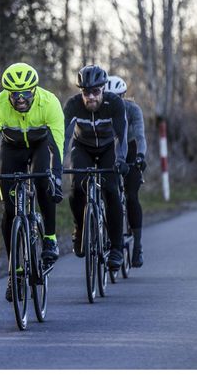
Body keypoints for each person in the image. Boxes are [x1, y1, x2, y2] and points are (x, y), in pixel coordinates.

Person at [0, 62, 65, 302]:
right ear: (8, 93)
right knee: (10, 211)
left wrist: (56, 177)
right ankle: (14, 272)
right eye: (14, 94)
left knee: (45, 183)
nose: (20, 98)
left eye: (25, 92)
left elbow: (57, 144)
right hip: (12, 148)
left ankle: (50, 239)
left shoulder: (50, 102)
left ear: (34, 90)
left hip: (40, 146)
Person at [63, 65, 129, 270]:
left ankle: (117, 249)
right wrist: (56, 165)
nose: (90, 97)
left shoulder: (115, 103)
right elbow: (63, 137)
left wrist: (121, 160)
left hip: (109, 149)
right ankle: (80, 228)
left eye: (95, 91)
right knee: (76, 188)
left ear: (103, 89)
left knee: (111, 191)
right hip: (82, 148)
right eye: (85, 92)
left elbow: (121, 136)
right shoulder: (73, 105)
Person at [105, 75, 148, 267]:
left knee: (131, 196)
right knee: (108, 192)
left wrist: (140, 156)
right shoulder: (101, 109)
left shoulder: (133, 109)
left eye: (118, 97)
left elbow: (140, 136)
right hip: (108, 149)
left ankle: (137, 245)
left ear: (123, 96)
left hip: (129, 149)